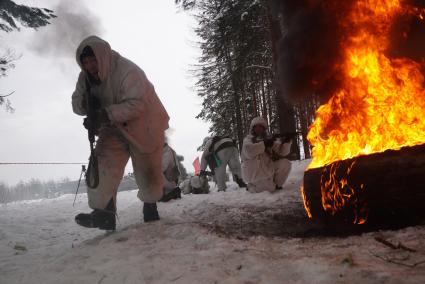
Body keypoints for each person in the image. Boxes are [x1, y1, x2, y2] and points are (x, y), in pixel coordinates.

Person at [71, 35, 169, 230]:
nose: (90, 66)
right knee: (102, 163)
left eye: (93, 60)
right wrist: (89, 108)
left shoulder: (128, 71)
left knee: (147, 169)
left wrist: (105, 114)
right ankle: (104, 214)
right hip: (113, 126)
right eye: (86, 62)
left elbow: (138, 105)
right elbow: (76, 105)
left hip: (145, 124)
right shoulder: (85, 78)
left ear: (102, 56)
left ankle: (150, 207)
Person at [241, 117, 292, 193]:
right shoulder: (248, 140)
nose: (259, 129)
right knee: (269, 189)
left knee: (285, 164)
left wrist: (287, 141)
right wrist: (264, 144)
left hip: (266, 169)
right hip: (254, 173)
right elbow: (249, 152)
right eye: (257, 127)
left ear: (264, 129)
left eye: (261, 127)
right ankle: (251, 186)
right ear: (253, 129)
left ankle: (276, 185)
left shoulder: (268, 139)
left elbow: (283, 152)